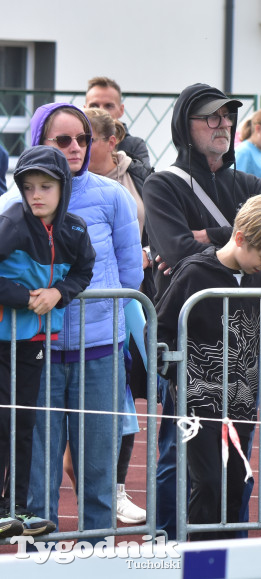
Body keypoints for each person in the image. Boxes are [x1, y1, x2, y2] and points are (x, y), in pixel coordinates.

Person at [0, 103, 143, 541]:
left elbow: (131, 272)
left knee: (98, 470)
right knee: (38, 473)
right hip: (36, 352)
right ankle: (39, 564)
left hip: (100, 350)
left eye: (83, 138)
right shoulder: (13, 204)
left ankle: (97, 561)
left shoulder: (113, 195)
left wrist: (66, 292)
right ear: (41, 144)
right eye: (63, 140)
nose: (76, 148)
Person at [142, 83, 261, 538]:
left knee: (239, 452)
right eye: (211, 118)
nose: (223, 126)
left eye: (228, 117)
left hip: (245, 336)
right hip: (192, 342)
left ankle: (230, 547)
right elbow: (175, 250)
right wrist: (229, 235)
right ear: (185, 126)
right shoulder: (162, 184)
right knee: (179, 452)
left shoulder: (249, 183)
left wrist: (206, 235)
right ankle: (166, 545)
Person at [156, 194, 261, 540]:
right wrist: (175, 374)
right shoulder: (194, 273)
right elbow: (161, 328)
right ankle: (198, 562)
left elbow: (259, 328)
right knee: (208, 484)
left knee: (235, 485)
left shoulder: (257, 280)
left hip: (243, 402)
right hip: (199, 403)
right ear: (242, 238)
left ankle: (225, 561)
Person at [0, 147, 94, 539]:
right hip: (2, 339)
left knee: (23, 422)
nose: (35, 194)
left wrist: (58, 292)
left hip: (35, 340)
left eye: (45, 186)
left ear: (64, 188)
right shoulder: (10, 224)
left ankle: (15, 509)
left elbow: (83, 272)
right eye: (28, 187)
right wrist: (25, 298)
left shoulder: (75, 229)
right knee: (3, 421)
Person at [84, 107, 152, 525]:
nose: (79, 148)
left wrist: (147, 257)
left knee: (124, 393)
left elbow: (150, 237)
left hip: (125, 298)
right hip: (76, 303)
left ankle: (115, 489)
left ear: (112, 141)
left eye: (87, 139)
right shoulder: (59, 183)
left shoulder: (137, 179)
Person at [84, 76, 152, 172]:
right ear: (85, 109)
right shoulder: (74, 142)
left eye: (109, 106)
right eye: (94, 106)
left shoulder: (134, 145)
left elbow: (143, 178)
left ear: (121, 110)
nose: (101, 110)